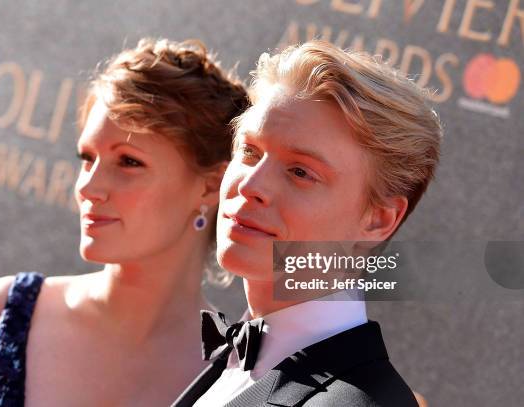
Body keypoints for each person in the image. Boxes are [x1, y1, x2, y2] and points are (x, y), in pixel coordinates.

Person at [0, 38, 248, 406]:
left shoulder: (236, 372)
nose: (88, 187)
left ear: (211, 185)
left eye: (128, 162)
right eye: (87, 158)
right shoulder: (2, 311)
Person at [173, 40, 442, 406]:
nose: (250, 186)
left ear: (378, 219)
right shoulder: (228, 363)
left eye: (300, 172)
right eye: (250, 152)